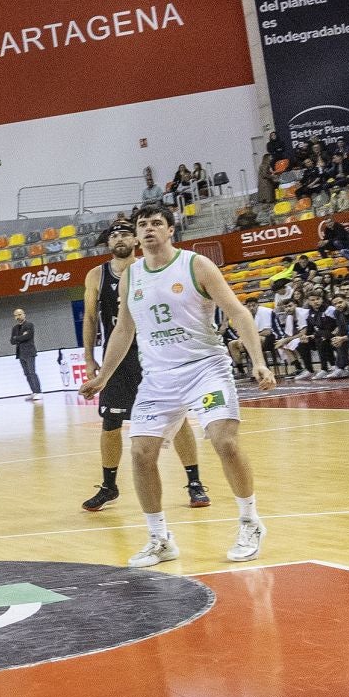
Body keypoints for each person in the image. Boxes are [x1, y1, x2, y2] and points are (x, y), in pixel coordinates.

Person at [82, 205, 276, 569]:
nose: (149, 229)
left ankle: (250, 522)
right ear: (138, 236)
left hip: (205, 368)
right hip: (158, 377)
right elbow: (124, 330)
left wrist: (258, 361)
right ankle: (160, 539)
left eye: (157, 223)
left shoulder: (196, 265)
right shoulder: (132, 276)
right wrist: (103, 376)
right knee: (140, 453)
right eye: (143, 225)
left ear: (171, 231)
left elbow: (237, 312)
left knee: (224, 441)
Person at [79, 219, 212, 512]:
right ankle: (109, 486)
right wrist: (89, 359)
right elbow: (89, 319)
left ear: (136, 240)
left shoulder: (149, 268)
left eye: (125, 233)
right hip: (118, 357)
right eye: (114, 235)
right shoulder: (95, 276)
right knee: (110, 422)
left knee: (177, 419)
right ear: (108, 243)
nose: (119, 239)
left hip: (155, 353)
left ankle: (194, 482)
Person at [10, 308, 40, 400]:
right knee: (27, 374)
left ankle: (38, 392)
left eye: (20, 314)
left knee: (32, 373)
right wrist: (20, 337)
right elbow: (12, 341)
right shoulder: (14, 328)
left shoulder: (29, 325)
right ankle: (33, 391)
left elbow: (28, 336)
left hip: (29, 352)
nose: (18, 317)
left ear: (24, 314)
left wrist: (17, 338)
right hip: (20, 354)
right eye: (16, 315)